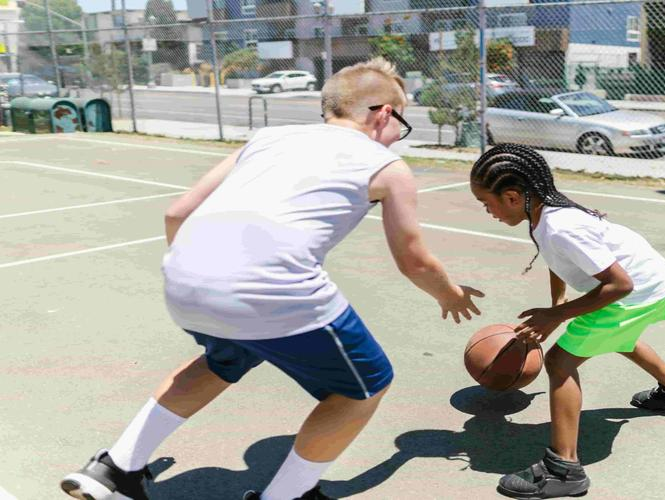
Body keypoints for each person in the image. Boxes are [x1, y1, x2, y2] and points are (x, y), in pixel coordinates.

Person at [60, 57, 484, 500]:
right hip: (273, 290)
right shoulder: (385, 166)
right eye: (402, 122)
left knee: (224, 360)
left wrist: (206, 270)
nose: (399, 134)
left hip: (184, 276)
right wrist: (449, 295)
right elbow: (414, 260)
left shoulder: (267, 138)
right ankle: (288, 495)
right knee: (365, 386)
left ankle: (115, 468)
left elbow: (178, 212)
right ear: (382, 114)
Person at [469, 143, 665, 499]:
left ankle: (564, 470)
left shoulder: (561, 226)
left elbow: (619, 284)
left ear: (513, 197)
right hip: (652, 281)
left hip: (635, 291)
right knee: (618, 338)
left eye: (487, 203)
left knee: (560, 362)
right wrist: (558, 304)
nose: (487, 211)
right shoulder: (542, 216)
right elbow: (557, 260)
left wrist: (556, 316)